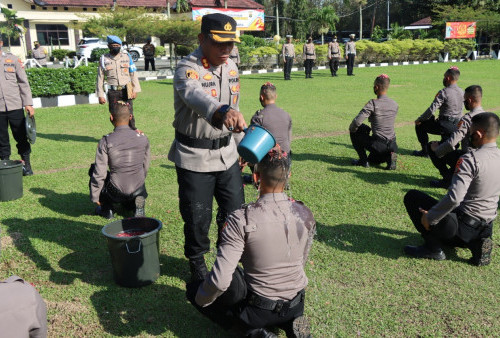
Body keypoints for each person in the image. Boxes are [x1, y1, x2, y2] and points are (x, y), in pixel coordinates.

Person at [186, 149, 316, 337]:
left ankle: (256, 333)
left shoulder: (242, 219)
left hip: (260, 310)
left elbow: (221, 280)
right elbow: (301, 260)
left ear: (255, 176)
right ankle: (292, 324)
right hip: (297, 303)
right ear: (288, 176)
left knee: (194, 291)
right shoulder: (304, 212)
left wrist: (202, 298)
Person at [168, 13, 246, 282]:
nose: (226, 49)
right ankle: (197, 262)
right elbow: (195, 97)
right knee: (197, 217)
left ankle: (229, 259)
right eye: (219, 43)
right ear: (202, 39)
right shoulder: (186, 69)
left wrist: (241, 147)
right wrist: (221, 111)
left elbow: (235, 111)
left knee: (235, 212)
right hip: (195, 158)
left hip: (227, 154)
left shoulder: (231, 67)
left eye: (230, 44)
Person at [403, 113, 500, 266]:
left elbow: (455, 198)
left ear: (479, 134)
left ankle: (432, 248)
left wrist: (431, 217)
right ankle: (477, 244)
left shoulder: (471, 159)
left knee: (412, 197)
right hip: (486, 227)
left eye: (471, 132)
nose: (469, 136)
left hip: (461, 227)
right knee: (456, 212)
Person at [89, 102, 150, 219]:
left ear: (111, 117)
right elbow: (145, 166)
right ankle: (137, 207)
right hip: (138, 189)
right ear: (130, 117)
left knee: (93, 170)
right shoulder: (143, 138)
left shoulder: (106, 141)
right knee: (136, 173)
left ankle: (107, 210)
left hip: (115, 192)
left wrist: (95, 195)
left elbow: (100, 172)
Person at [428, 85, 484, 188]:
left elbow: (451, 143)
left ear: (470, 100)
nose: (463, 102)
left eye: (465, 100)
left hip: (469, 159)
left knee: (432, 146)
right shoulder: (488, 117)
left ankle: (447, 179)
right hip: (484, 159)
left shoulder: (468, 119)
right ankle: (453, 174)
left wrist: (437, 150)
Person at [0, 40, 35, 176]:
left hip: (15, 105)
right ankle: (5, 164)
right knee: (1, 139)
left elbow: (23, 82)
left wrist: (28, 103)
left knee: (21, 136)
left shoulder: (12, 59)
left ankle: (26, 165)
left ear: (1, 42)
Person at [349, 74, 398, 170]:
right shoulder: (394, 104)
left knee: (356, 129)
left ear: (376, 87)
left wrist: (353, 129)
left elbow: (356, 122)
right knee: (373, 159)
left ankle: (363, 161)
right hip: (393, 144)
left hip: (378, 145)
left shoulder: (373, 103)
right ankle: (391, 159)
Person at [413, 66, 464, 157]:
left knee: (420, 125)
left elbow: (432, 109)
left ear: (447, 78)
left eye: (444, 77)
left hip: (444, 124)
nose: (443, 79)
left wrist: (420, 119)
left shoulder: (444, 92)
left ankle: (425, 151)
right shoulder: (462, 92)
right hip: (456, 125)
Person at [96, 35, 141, 129]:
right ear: (108, 46)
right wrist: (100, 94)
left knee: (129, 113)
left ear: (120, 46)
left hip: (126, 90)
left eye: (117, 45)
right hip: (113, 91)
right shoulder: (104, 59)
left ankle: (132, 131)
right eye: (113, 45)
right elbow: (100, 77)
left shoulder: (127, 57)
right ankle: (118, 133)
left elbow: (133, 74)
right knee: (114, 114)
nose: (115, 47)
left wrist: (135, 89)